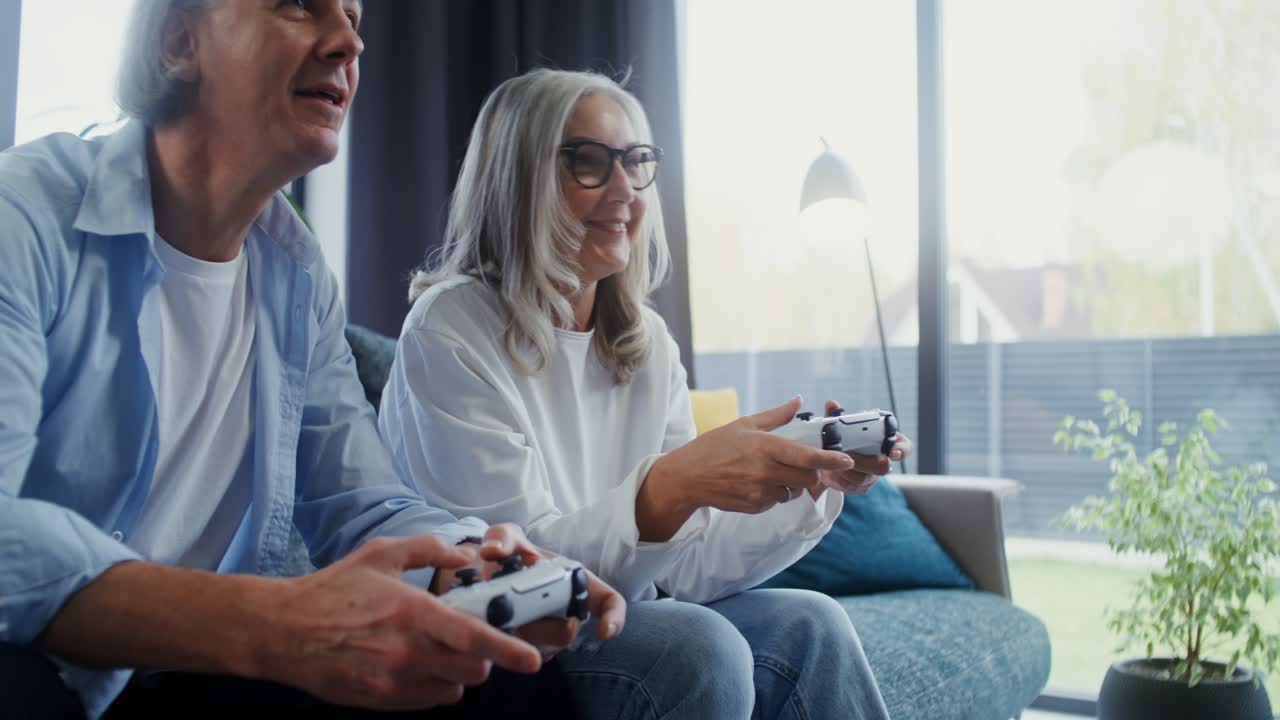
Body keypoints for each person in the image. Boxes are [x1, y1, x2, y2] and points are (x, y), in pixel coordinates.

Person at [0, 3, 625, 718]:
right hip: (36, 658)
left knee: (507, 681)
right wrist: (273, 622)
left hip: (188, 673)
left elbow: (361, 504)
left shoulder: (295, 276)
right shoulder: (22, 216)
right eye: (298, 3)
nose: (349, 41)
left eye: (354, 15)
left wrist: (481, 559)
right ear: (179, 40)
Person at [378, 68, 915, 719]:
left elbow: (686, 569)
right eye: (589, 162)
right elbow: (519, 582)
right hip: (518, 642)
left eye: (636, 162)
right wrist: (668, 489)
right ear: (516, 179)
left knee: (814, 625)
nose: (626, 189)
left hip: (620, 609)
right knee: (698, 644)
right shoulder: (451, 330)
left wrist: (812, 482)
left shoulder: (647, 341)